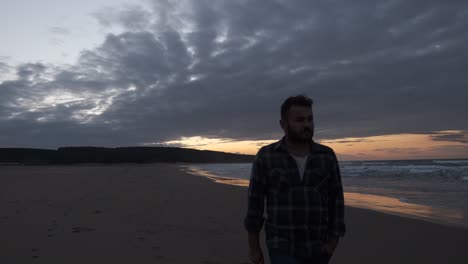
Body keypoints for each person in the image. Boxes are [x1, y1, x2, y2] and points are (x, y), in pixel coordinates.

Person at [244, 95, 346, 264]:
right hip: (282, 245)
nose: (306, 125)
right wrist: (254, 247)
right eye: (299, 120)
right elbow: (255, 205)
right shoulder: (267, 156)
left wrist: (333, 241)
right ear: (283, 125)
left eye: (309, 119)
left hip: (319, 246)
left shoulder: (326, 156)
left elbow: (337, 199)